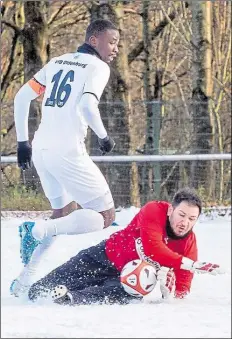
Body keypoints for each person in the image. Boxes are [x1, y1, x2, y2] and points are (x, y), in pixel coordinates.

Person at [11, 19, 120, 295]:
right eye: (112, 41)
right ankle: (35, 231)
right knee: (105, 215)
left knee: (61, 214)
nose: (115, 48)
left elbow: (22, 97)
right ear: (94, 40)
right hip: (68, 152)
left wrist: (22, 143)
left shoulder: (58, 61)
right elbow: (86, 104)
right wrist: (104, 137)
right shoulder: (98, 67)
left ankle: (23, 283)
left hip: (41, 149)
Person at [25, 188, 224, 306]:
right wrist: (190, 264)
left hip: (126, 279)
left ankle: (70, 298)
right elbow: (153, 247)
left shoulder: (188, 243)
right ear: (171, 209)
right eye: (181, 215)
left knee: (128, 292)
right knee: (36, 292)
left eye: (192, 219)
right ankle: (57, 290)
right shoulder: (154, 210)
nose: (185, 223)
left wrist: (168, 293)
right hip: (101, 257)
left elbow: (182, 289)